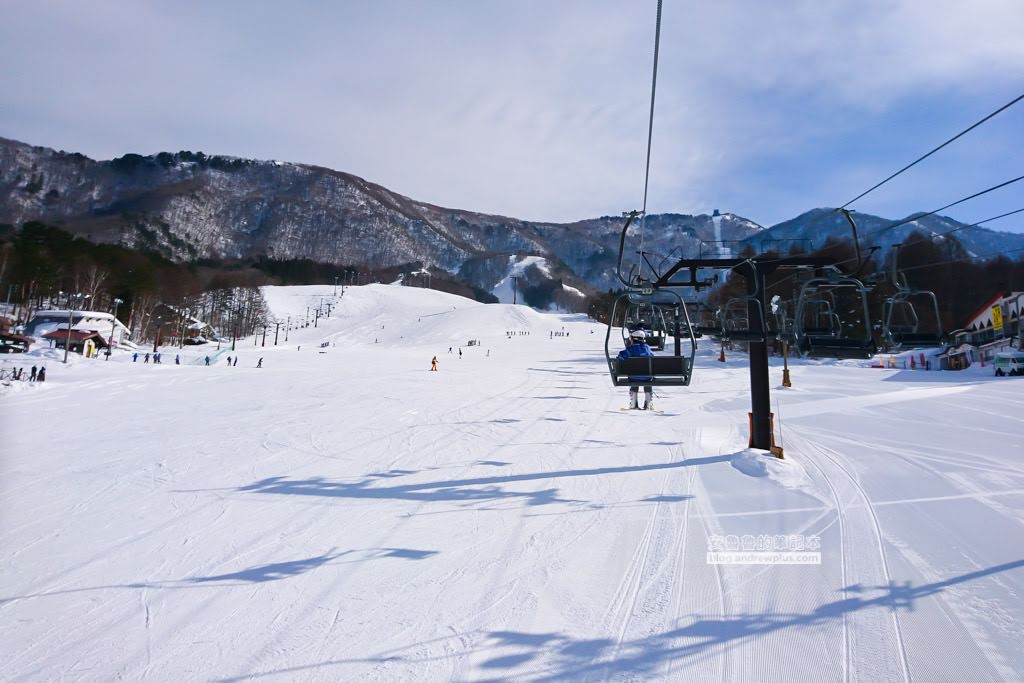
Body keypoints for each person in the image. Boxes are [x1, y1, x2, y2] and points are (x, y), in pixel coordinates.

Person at [617, 330, 655, 410]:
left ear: (633, 339)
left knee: (633, 376)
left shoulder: (630, 349)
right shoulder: (647, 348)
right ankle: (648, 402)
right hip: (647, 377)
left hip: (633, 376)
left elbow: (621, 357)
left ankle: (633, 402)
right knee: (648, 378)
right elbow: (653, 357)